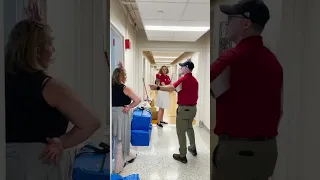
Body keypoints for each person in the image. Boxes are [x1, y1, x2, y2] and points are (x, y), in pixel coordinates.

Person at [5, 2, 101, 180]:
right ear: (37, 51)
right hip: (37, 166)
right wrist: (62, 143)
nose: (53, 50)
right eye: (50, 44)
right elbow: (91, 122)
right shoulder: (50, 87)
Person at [210, 0, 283, 179]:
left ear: (246, 23)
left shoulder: (231, 59)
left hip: (237, 153)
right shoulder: (274, 62)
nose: (227, 23)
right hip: (267, 152)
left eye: (231, 18)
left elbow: (210, 88)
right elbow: (279, 110)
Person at [150, 59, 198, 163]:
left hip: (184, 109)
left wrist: (157, 87)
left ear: (186, 68)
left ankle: (182, 155)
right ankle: (193, 148)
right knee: (189, 128)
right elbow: (178, 89)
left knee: (181, 132)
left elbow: (172, 87)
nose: (180, 68)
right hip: (193, 109)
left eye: (182, 67)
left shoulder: (183, 79)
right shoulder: (194, 80)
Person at [112, 62, 141, 173]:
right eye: (125, 76)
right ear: (122, 77)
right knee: (120, 140)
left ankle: (126, 156)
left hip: (112, 113)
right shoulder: (124, 88)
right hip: (121, 114)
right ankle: (118, 167)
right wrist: (129, 106)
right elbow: (138, 100)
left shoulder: (110, 87)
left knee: (115, 139)